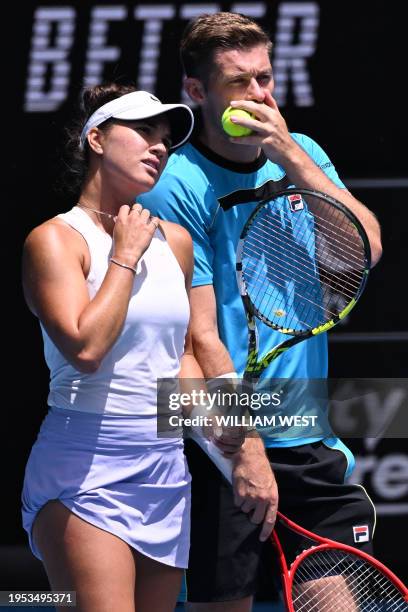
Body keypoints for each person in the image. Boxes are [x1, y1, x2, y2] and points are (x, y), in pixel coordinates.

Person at [139, 12, 383, 611]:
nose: (259, 96)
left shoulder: (304, 154)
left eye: (265, 78)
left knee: (338, 599)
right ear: (197, 93)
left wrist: (293, 159)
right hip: (216, 442)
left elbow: (366, 249)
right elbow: (195, 339)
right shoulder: (173, 182)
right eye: (239, 83)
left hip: (305, 432)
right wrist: (242, 452)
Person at [21, 83, 215, 612]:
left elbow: (184, 357)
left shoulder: (176, 242)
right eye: (144, 131)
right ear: (98, 139)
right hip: (82, 470)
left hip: (166, 468)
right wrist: (124, 257)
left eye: (166, 138)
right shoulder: (54, 240)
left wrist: (234, 440)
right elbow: (85, 348)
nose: (159, 146)